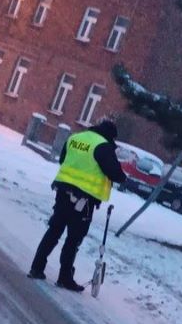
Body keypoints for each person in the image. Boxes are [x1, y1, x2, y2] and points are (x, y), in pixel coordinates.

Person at [28, 119, 126, 291]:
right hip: (83, 200)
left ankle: (36, 268)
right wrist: (123, 177)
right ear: (110, 136)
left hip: (62, 191)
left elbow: (63, 160)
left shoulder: (76, 138)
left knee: (54, 230)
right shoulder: (103, 146)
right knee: (73, 239)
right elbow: (115, 174)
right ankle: (64, 278)